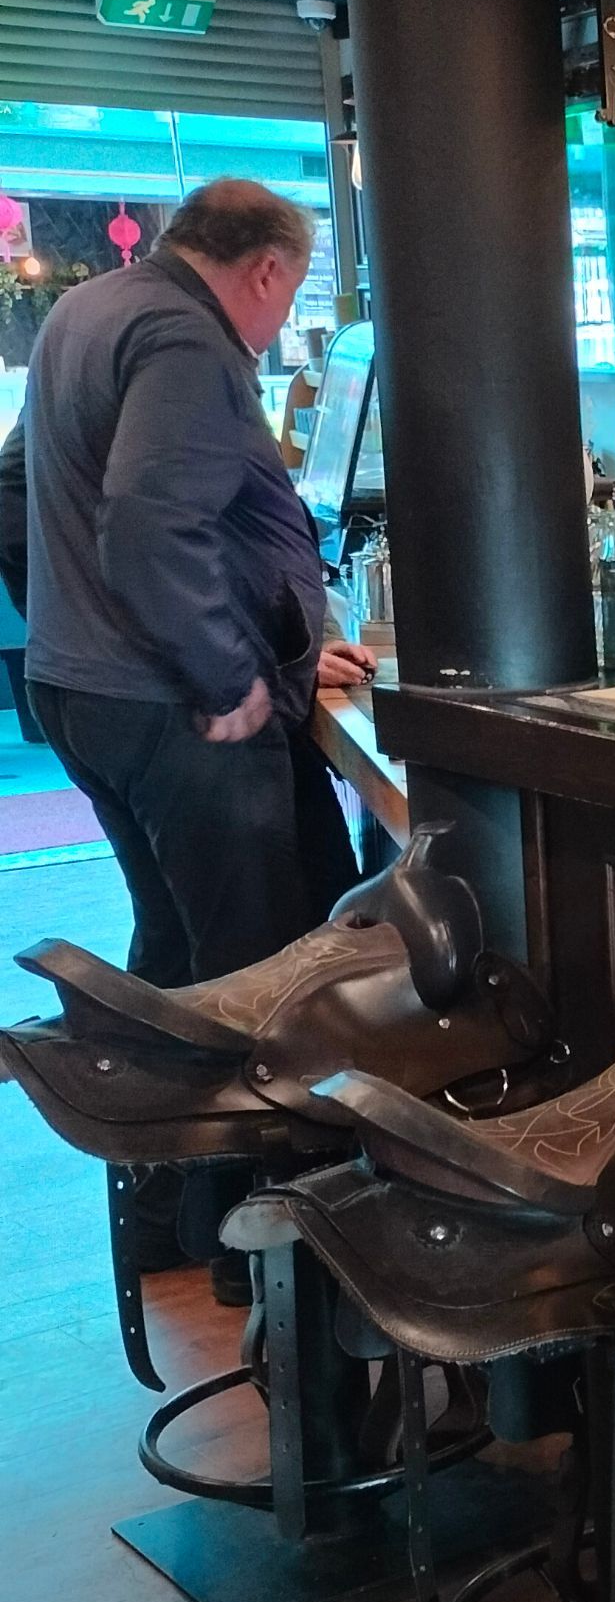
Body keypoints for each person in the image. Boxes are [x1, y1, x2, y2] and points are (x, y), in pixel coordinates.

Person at [0, 174, 373, 994]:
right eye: (291, 297)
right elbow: (148, 523)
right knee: (259, 969)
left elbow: (11, 487)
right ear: (266, 271)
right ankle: (245, 1093)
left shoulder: (85, 310)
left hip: (81, 691)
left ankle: (142, 1076)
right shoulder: (186, 338)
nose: (277, 330)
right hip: (174, 704)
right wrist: (225, 673)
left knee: (174, 940)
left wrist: (69, 620)